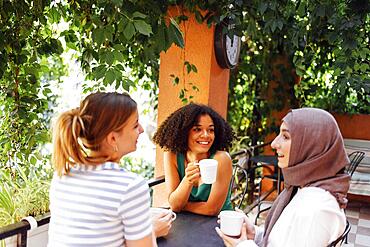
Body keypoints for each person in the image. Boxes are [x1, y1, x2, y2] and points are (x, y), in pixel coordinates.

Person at [48, 92, 172, 247]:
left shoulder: (62, 175)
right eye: (135, 125)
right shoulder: (130, 186)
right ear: (113, 138)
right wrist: (151, 230)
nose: (140, 129)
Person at [216, 108, 350, 247]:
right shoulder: (304, 189)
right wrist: (255, 233)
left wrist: (242, 245)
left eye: (286, 137)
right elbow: (284, 240)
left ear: (312, 145)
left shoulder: (316, 209)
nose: (274, 144)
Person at [152, 103, 235, 216]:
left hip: (221, 225)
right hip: (187, 224)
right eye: (197, 129)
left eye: (211, 130)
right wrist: (188, 180)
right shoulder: (172, 155)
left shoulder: (222, 159)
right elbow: (175, 205)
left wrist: (182, 205)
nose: (206, 135)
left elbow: (212, 210)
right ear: (183, 132)